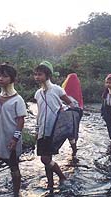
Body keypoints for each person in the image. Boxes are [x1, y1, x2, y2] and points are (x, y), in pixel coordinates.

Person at [0, 62, 27, 196]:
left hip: (10, 139)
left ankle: (16, 192)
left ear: (12, 79)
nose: (0, 79)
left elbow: (21, 120)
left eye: (5, 76)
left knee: (13, 166)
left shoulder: (18, 100)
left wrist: (15, 138)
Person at [34, 61, 74, 191]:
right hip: (42, 130)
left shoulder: (57, 89)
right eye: (36, 74)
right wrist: (37, 129)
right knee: (47, 158)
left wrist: (63, 114)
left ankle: (62, 177)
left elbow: (71, 104)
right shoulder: (38, 93)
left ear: (47, 75)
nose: (37, 77)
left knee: (45, 159)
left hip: (53, 129)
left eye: (40, 74)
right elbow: (39, 112)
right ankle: (50, 183)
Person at [61, 73, 84, 157]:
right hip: (76, 114)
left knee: (69, 133)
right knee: (74, 132)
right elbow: (80, 108)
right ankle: (74, 150)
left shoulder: (64, 94)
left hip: (67, 116)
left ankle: (73, 150)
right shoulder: (78, 94)